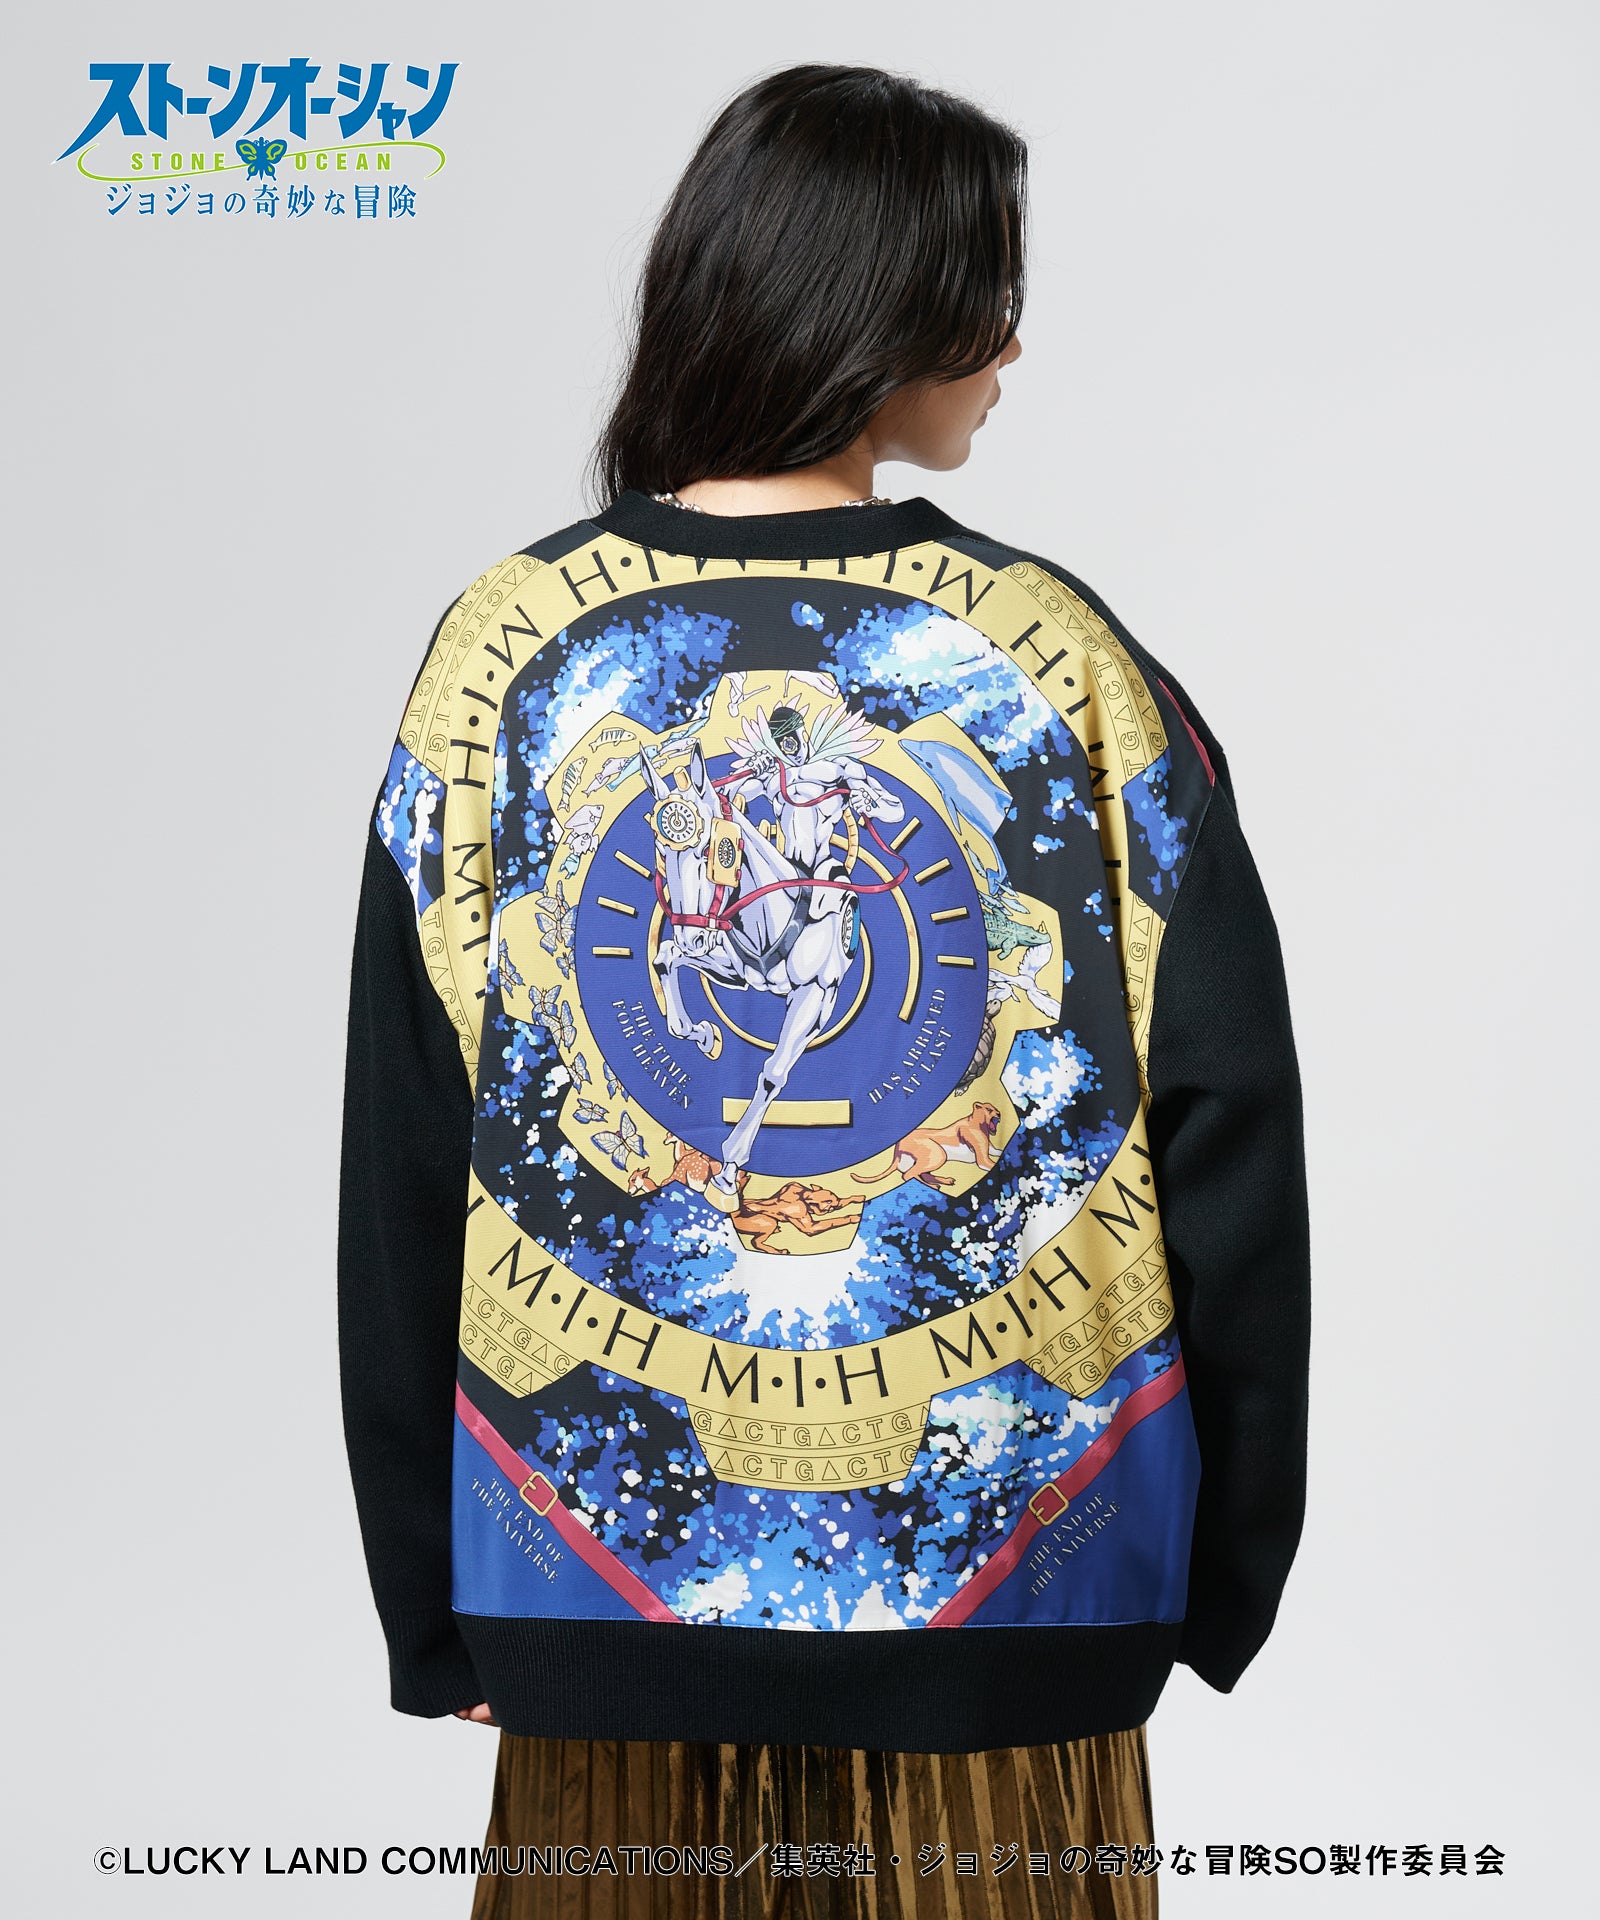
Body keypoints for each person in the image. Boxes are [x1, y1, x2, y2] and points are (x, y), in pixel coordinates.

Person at [336, 61, 1312, 1920]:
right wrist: (1218, 1566)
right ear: (878, 305)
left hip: (589, 1579)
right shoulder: (1064, 664)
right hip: (1018, 1594)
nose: (1010, 342)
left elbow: (406, 1153)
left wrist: (435, 1595)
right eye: (984, 287)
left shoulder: (506, 662)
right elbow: (1230, 1130)